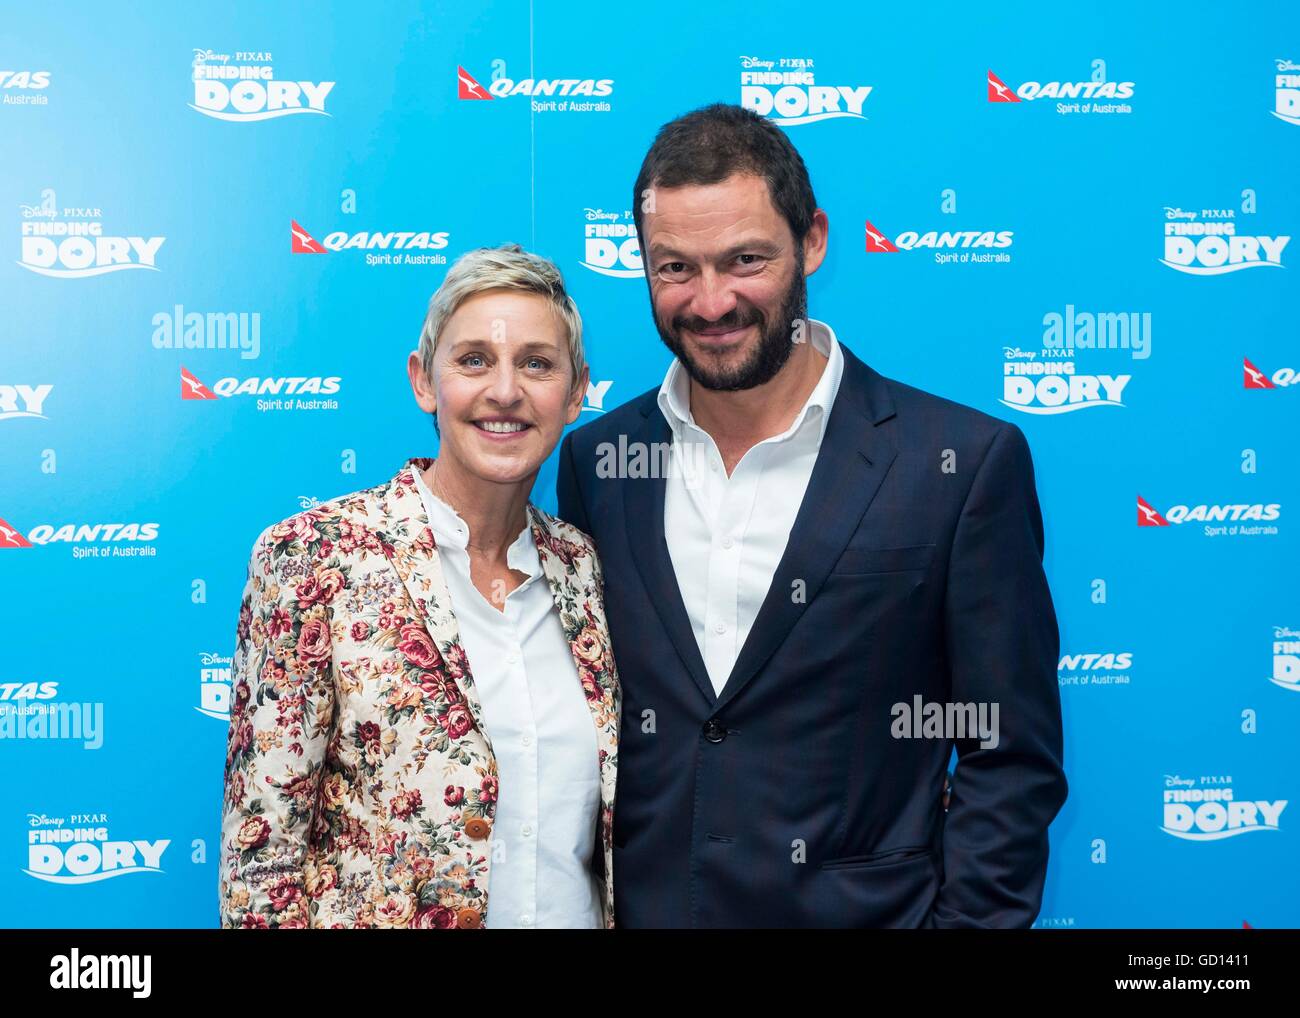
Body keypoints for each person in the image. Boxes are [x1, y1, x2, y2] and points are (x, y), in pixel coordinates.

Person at [558, 104, 1067, 928]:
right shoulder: (598, 463)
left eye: (745, 260)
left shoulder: (960, 464)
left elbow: (1009, 757)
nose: (711, 301)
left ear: (814, 241)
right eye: (675, 268)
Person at [220, 243, 620, 929]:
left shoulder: (584, 568)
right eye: (473, 360)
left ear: (577, 390)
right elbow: (262, 863)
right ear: (424, 381)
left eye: (536, 363)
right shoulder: (314, 557)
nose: (504, 391)